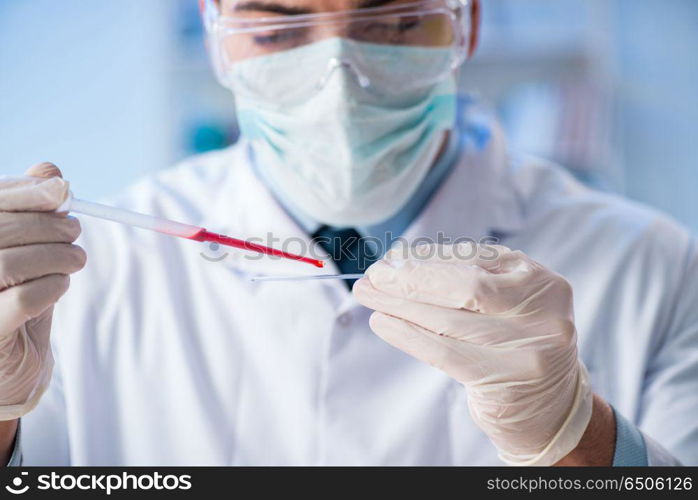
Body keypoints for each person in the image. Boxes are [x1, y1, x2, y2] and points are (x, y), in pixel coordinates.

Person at [0, 0, 696, 466]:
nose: (339, 81)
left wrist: (575, 437)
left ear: (467, 25)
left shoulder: (653, 265)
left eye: (393, 23)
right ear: (217, 37)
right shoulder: (90, 269)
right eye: (277, 29)